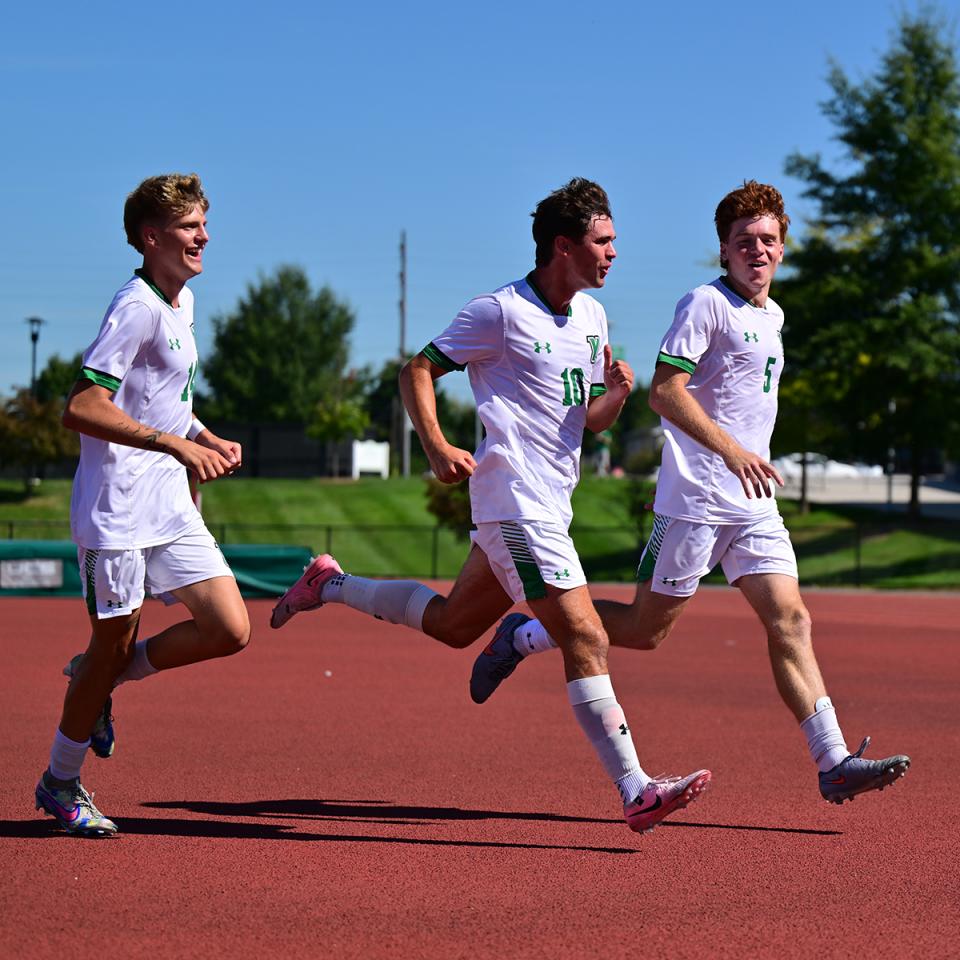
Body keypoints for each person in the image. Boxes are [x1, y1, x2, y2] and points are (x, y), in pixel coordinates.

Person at [271, 177, 711, 833]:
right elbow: (415, 369)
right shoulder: (499, 312)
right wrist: (437, 444)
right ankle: (635, 789)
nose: (614, 253)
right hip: (515, 502)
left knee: (452, 625)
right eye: (604, 241)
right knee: (585, 633)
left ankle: (329, 585)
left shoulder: (591, 318)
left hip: (547, 506)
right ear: (564, 247)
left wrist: (616, 396)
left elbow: (586, 422)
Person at [470, 180, 911, 806]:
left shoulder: (774, 315)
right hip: (697, 499)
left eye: (767, 240)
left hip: (754, 504)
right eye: (742, 242)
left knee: (791, 619)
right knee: (647, 631)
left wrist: (748, 464)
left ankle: (832, 760)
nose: (756, 251)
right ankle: (525, 634)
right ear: (724, 252)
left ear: (783, 248)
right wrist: (732, 452)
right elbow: (664, 391)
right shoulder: (703, 304)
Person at [35, 173, 251, 836]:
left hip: (167, 504)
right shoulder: (135, 306)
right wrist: (174, 447)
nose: (204, 237)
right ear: (150, 236)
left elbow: (166, 404)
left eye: (204, 224)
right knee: (113, 639)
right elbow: (82, 405)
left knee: (228, 628)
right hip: (115, 510)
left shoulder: (181, 306)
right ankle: (60, 782)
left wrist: (205, 437)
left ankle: (99, 679)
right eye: (190, 227)